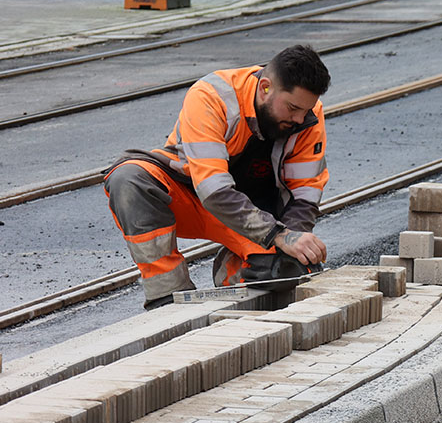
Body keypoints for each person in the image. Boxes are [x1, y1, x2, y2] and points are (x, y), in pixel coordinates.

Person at [104, 45, 332, 309]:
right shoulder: (212, 96)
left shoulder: (308, 114)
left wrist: (293, 243)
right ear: (265, 87)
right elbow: (214, 190)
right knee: (129, 180)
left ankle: (233, 271)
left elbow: (305, 196)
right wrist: (278, 236)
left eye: (305, 110)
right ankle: (167, 297)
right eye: (293, 108)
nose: (300, 118)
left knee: (286, 272)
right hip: (192, 196)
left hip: (257, 216)